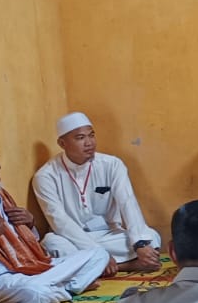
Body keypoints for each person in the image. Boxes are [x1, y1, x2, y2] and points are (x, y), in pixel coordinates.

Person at [0, 136, 111, 303]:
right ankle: (70, 287)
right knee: (35, 293)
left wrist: (29, 224)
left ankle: (65, 287)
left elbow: (26, 242)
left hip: (28, 266)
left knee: (99, 254)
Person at [32, 111, 161, 273]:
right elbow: (60, 222)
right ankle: (125, 266)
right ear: (62, 143)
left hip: (109, 234)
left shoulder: (112, 165)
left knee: (151, 236)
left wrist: (140, 243)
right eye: (80, 138)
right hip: (73, 239)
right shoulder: (46, 176)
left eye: (91, 136)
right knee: (52, 244)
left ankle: (93, 268)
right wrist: (99, 253)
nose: (89, 143)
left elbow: (127, 202)